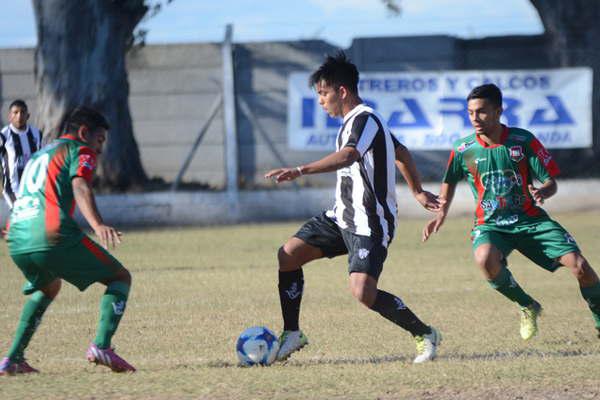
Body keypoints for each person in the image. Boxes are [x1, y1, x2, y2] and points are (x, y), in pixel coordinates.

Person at [265, 52, 442, 364]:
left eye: (323, 93)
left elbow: (349, 156)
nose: (321, 101)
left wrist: (301, 170)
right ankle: (292, 332)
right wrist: (416, 190)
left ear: (341, 91)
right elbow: (400, 152)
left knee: (362, 291)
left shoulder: (365, 119)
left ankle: (424, 333)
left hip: (370, 222)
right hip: (341, 216)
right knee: (288, 255)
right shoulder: (355, 122)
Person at [422, 83, 600, 340]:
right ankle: (527, 305)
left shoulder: (523, 140)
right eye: (470, 112)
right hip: (492, 225)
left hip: (531, 221)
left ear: (498, 111)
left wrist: (544, 192)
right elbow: (449, 179)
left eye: (482, 111)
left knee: (581, 267)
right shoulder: (464, 149)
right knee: (484, 259)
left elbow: (551, 182)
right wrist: (441, 213)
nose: (475, 118)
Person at [0, 106, 136, 375]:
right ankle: (102, 346)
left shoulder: (41, 153)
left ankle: (13, 358)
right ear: (84, 133)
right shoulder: (79, 150)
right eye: (99, 141)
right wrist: (97, 224)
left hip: (15, 236)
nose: (98, 150)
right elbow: (80, 184)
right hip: (50, 233)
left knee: (48, 286)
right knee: (120, 277)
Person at [1, 99, 43, 209]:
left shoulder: (36, 134)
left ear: (28, 115)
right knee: (18, 215)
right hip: (12, 188)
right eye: (15, 112)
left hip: (33, 187)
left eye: (22, 112)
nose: (19, 116)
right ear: (10, 116)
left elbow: (42, 158)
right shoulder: (4, 135)